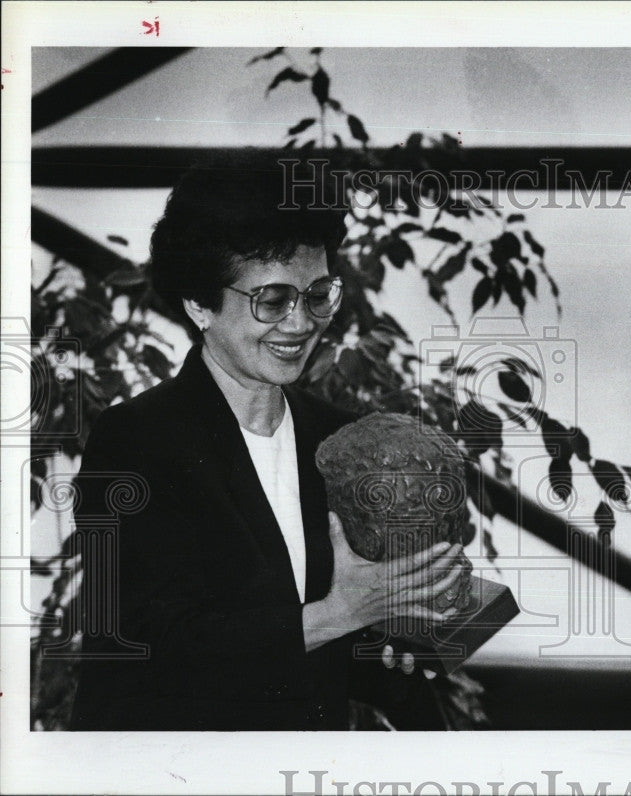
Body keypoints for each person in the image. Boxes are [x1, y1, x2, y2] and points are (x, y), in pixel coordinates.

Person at [69, 154, 465, 730]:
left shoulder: (335, 437)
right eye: (273, 300)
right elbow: (141, 642)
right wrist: (337, 615)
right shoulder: (133, 441)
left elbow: (327, 652)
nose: (301, 323)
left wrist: (402, 636)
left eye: (318, 294)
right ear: (200, 304)